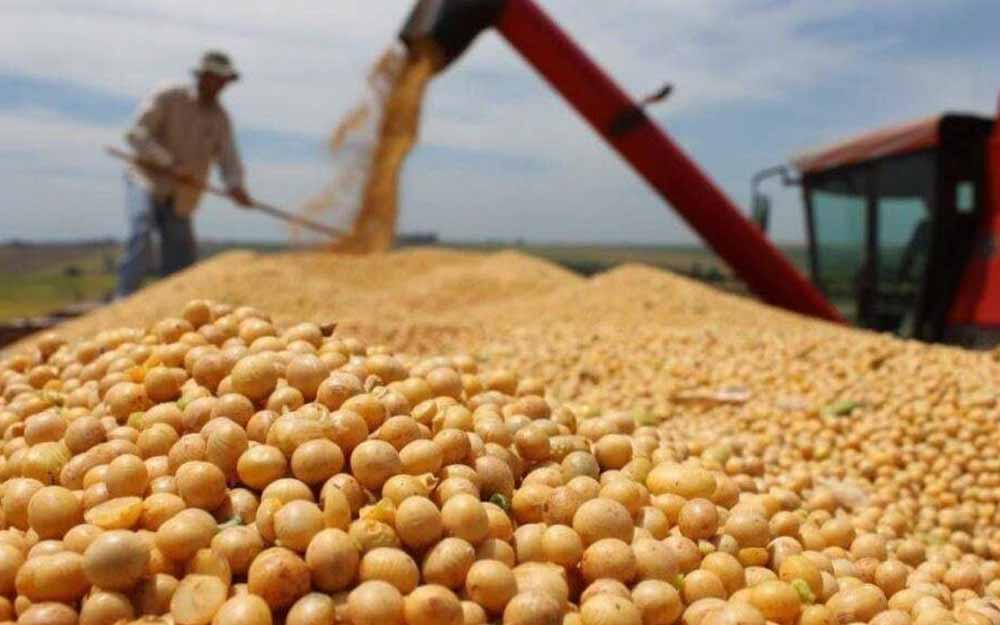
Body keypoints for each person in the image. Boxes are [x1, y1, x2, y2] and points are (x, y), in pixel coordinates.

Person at [116, 50, 253, 297]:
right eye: (214, 78)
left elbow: (229, 159)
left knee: (181, 258)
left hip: (183, 194)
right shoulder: (170, 97)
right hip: (147, 179)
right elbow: (136, 134)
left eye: (223, 81)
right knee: (142, 231)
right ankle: (124, 299)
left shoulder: (220, 120)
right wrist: (169, 164)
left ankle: (174, 306)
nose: (219, 85)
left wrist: (236, 186)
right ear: (202, 76)